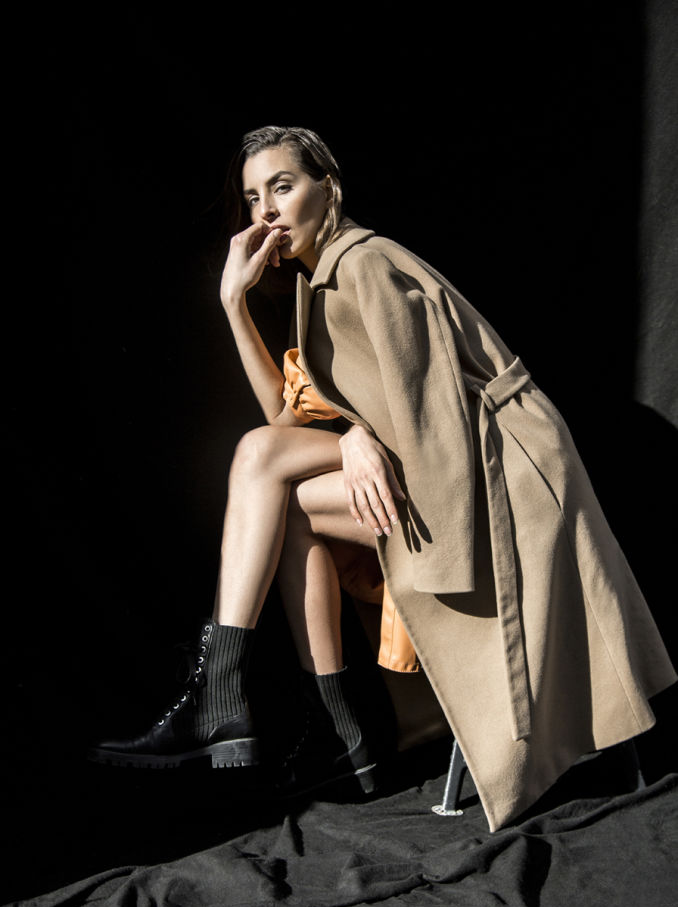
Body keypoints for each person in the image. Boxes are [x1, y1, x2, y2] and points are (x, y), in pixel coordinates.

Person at [89, 126, 676, 832]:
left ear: (327, 187)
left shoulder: (363, 264)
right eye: (252, 197)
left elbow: (435, 412)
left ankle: (251, 702)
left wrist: (361, 441)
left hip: (499, 473)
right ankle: (315, 722)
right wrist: (233, 304)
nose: (266, 210)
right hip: (441, 455)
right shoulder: (316, 283)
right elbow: (285, 417)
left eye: (282, 186)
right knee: (269, 479)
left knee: (265, 472)